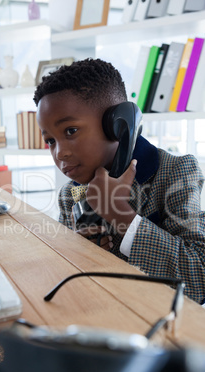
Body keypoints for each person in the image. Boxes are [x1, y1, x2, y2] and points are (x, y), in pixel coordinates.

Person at [34, 58, 205, 304]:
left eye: (70, 131)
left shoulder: (175, 172)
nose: (59, 153)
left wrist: (121, 215)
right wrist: (75, 253)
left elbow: (198, 279)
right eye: (50, 140)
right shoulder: (70, 195)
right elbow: (65, 280)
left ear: (118, 125)